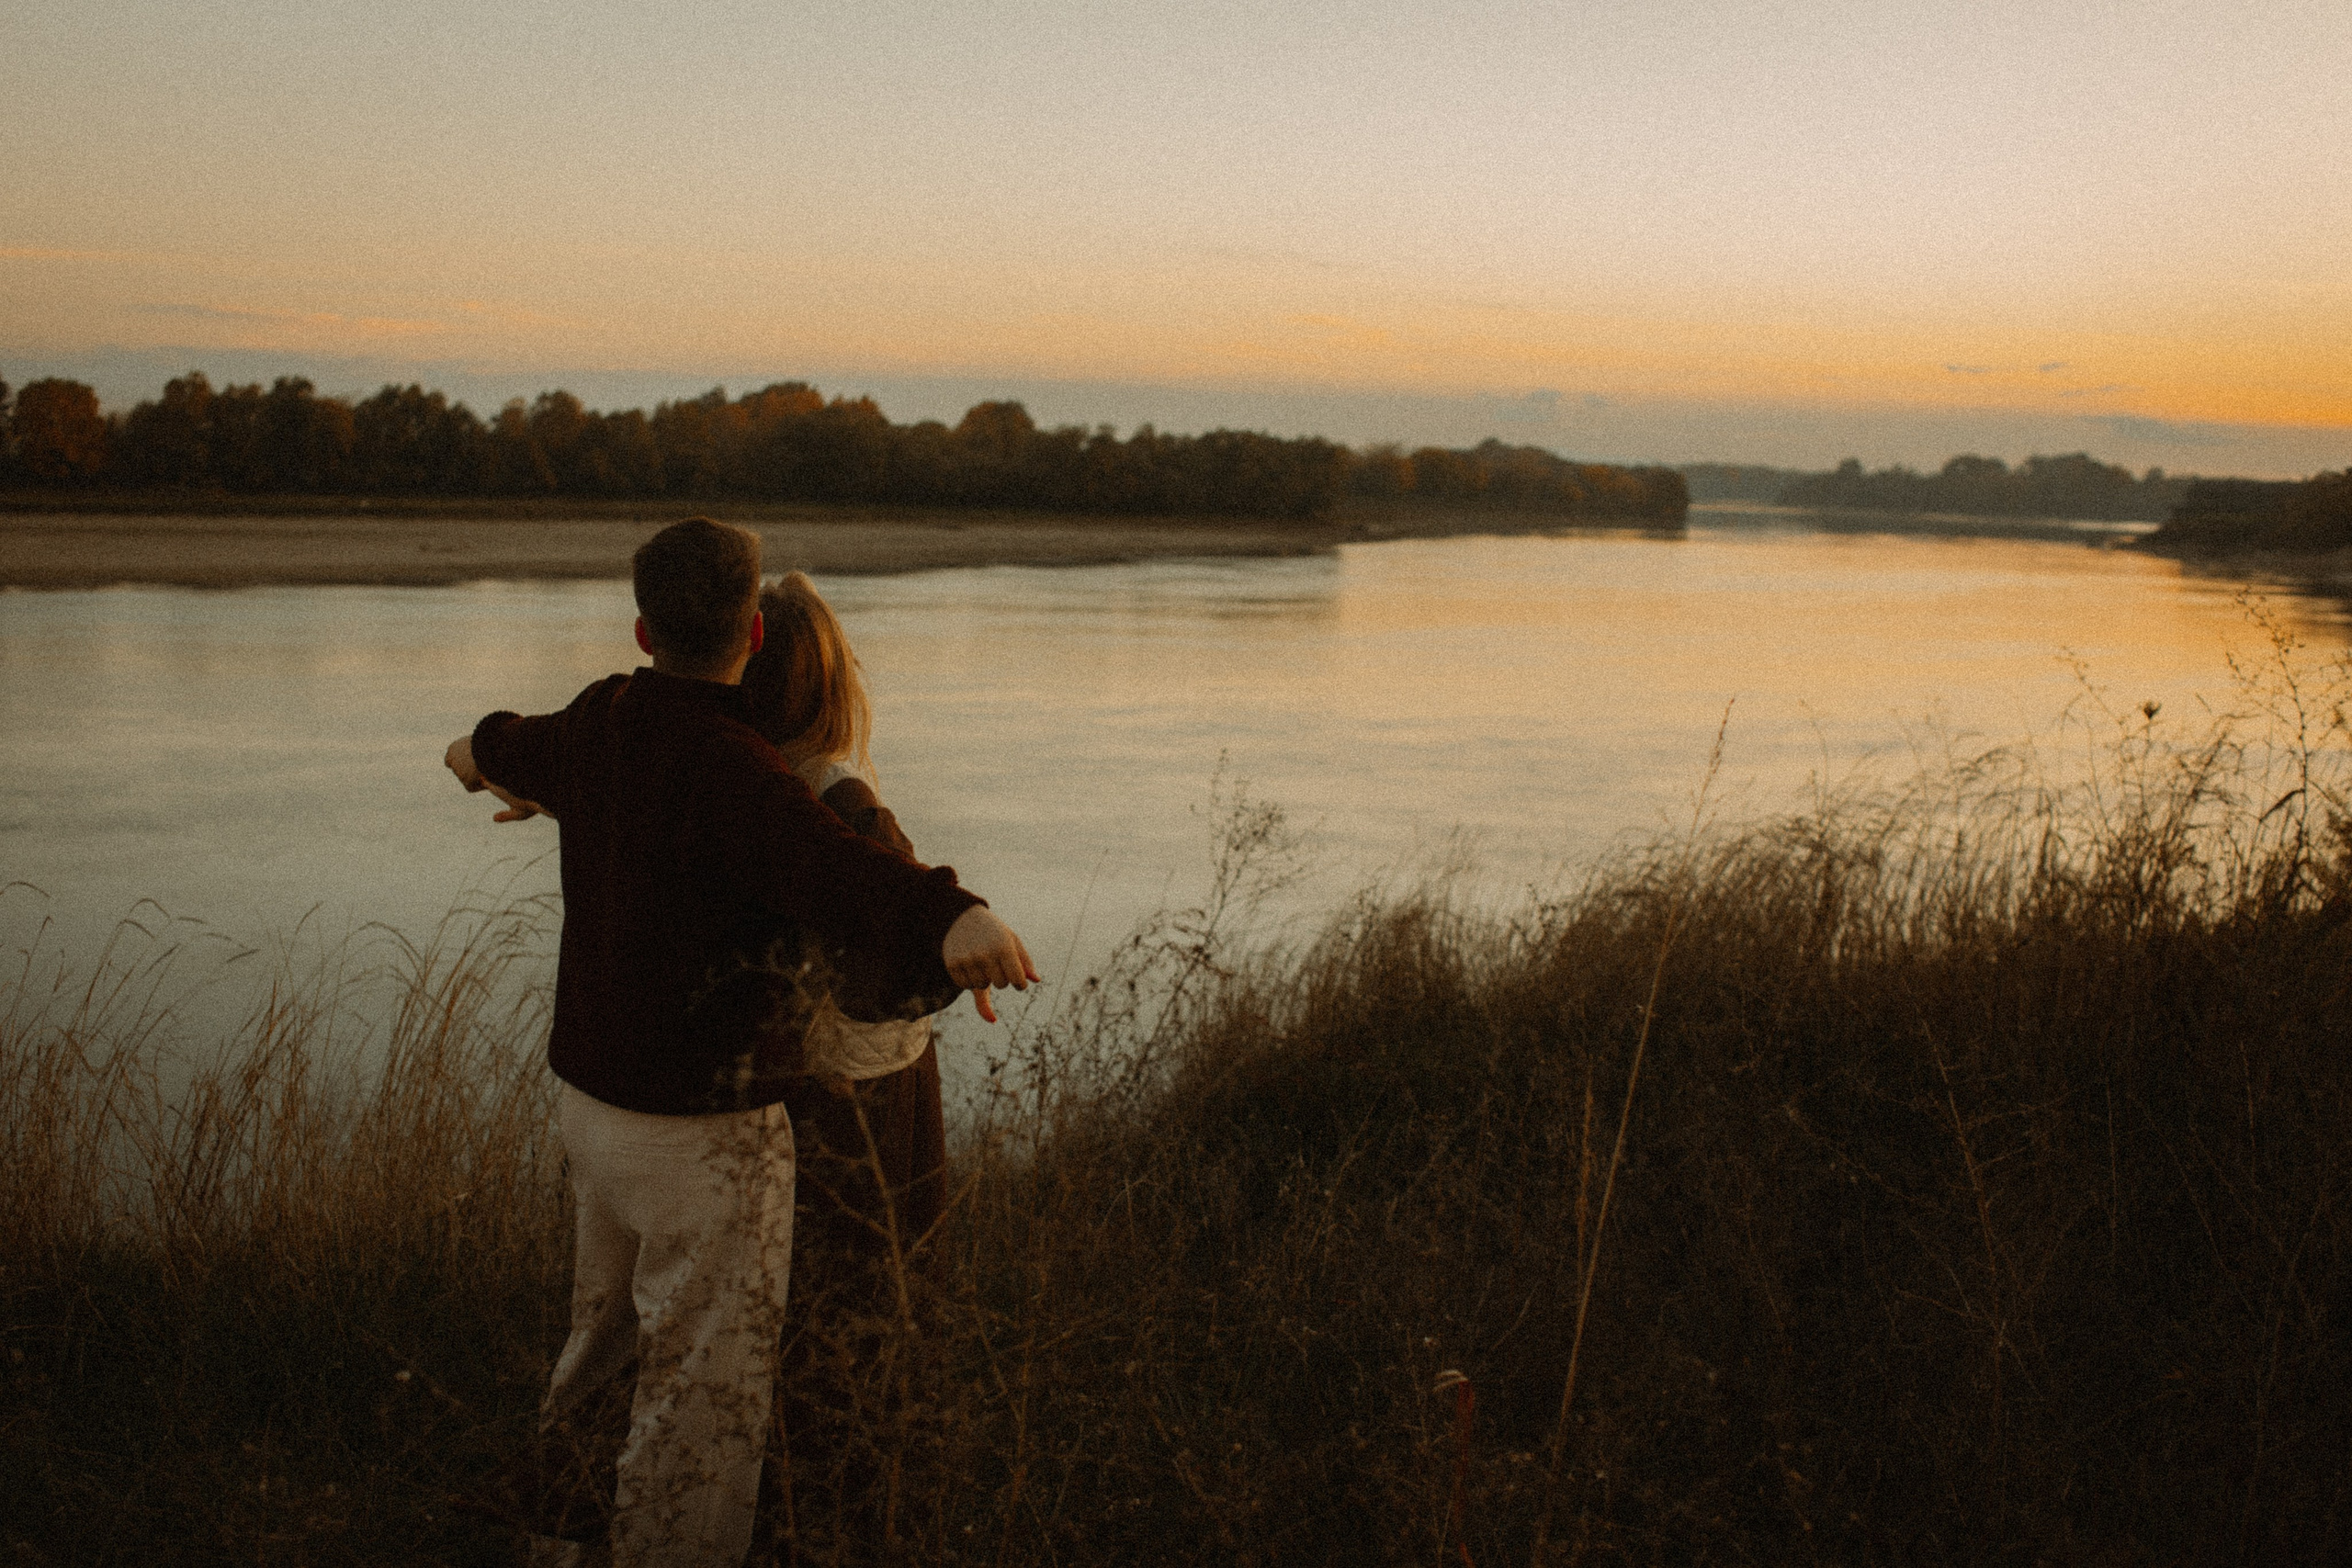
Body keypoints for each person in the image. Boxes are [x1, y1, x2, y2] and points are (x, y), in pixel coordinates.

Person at [442, 519, 1036, 1568]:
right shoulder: (738, 775)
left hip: (592, 1114)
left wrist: (492, 767)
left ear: (641, 630)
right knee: (702, 1399)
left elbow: (490, 741)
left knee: (602, 1338)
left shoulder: (604, 718)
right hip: (702, 1132)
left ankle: (553, 1537)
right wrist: (957, 916)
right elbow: (840, 872)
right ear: (752, 634)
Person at [733, 573, 956, 1527]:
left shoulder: (742, 786)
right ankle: (839, 1507)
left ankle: (791, 1500)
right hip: (860, 1096)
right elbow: (909, 950)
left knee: (791, 1301)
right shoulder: (838, 798)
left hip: (786, 1085)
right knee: (862, 1295)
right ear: (831, 687)